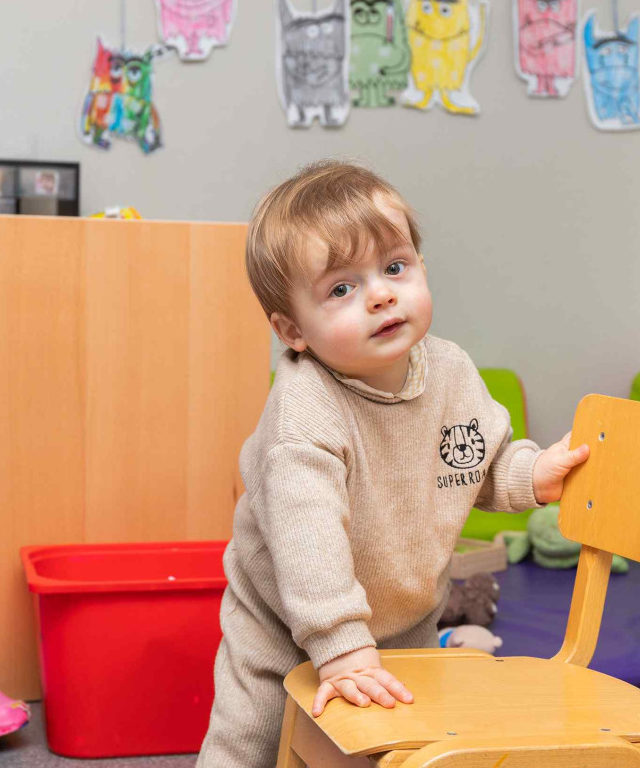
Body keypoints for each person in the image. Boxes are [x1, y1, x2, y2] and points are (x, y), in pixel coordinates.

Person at [196, 160, 590, 767]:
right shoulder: (306, 411)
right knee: (254, 740)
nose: (380, 294)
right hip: (280, 624)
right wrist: (339, 645)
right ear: (292, 329)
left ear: (421, 267)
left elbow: (477, 465)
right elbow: (309, 545)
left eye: (395, 268)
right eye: (341, 289)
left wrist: (531, 476)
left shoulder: (452, 372)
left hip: (406, 615)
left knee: (394, 747)